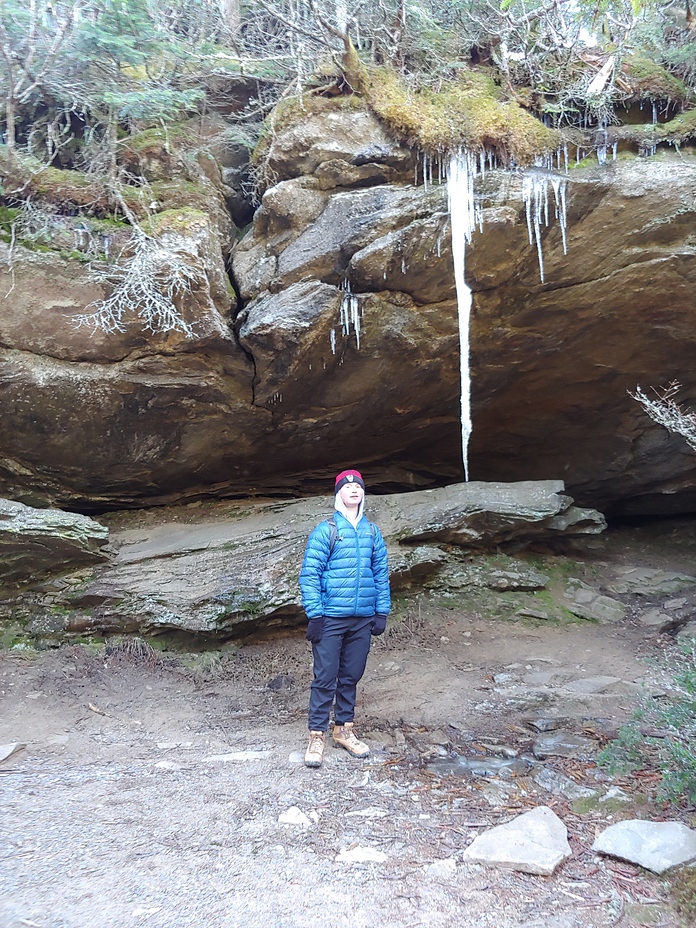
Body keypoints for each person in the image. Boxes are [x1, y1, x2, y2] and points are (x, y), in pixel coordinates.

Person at [299, 469, 391, 768]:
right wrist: (315, 615)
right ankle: (316, 735)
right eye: (347, 486)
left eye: (358, 486)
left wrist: (381, 611)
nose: (354, 490)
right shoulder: (326, 530)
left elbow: (380, 574)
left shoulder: (372, 532)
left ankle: (343, 729)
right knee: (325, 677)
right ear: (338, 494)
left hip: (362, 618)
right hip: (331, 618)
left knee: (351, 675)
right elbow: (309, 575)